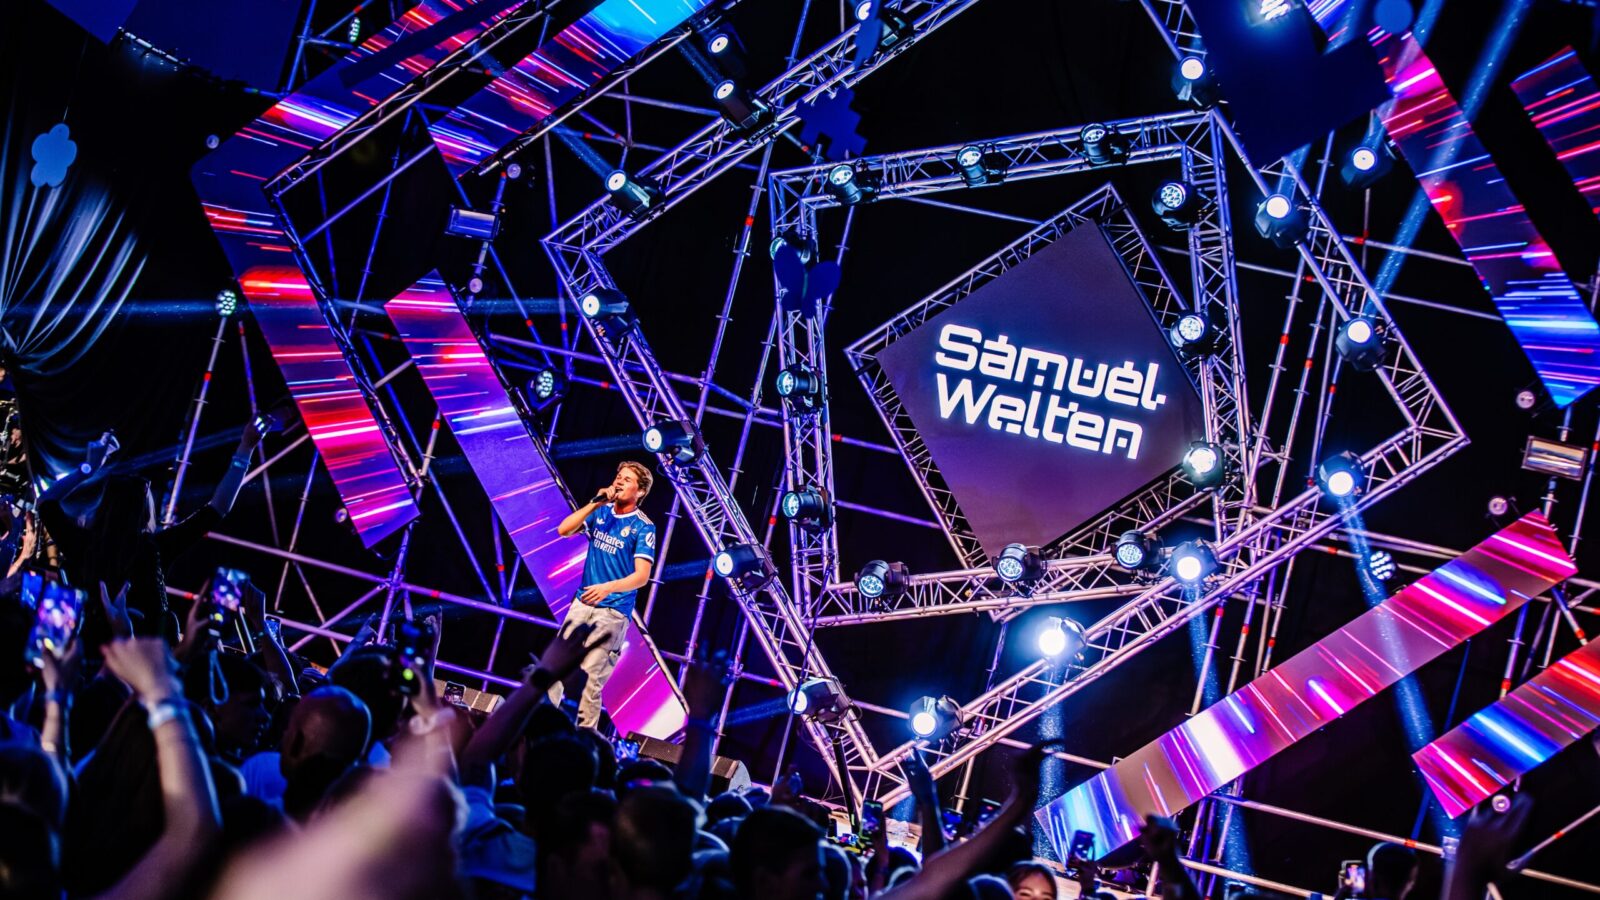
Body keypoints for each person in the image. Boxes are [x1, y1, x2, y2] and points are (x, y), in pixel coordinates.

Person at [552, 460, 658, 727]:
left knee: (589, 682)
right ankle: (538, 733)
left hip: (612, 612)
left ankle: (585, 742)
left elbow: (641, 576)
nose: (619, 481)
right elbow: (563, 530)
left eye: (627, 479)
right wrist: (594, 503)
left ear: (640, 491)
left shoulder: (643, 527)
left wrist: (607, 587)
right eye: (618, 476)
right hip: (582, 605)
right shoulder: (601, 511)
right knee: (555, 670)